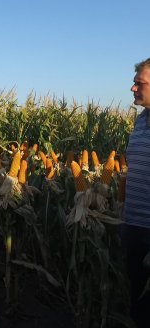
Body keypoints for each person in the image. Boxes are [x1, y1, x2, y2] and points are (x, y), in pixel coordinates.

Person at [123, 57, 150, 328]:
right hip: (133, 226)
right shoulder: (141, 121)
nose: (132, 88)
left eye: (139, 83)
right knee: (137, 302)